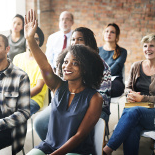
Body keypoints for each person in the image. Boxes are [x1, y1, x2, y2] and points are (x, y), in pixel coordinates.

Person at [25, 9, 104, 155]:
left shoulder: (95, 98)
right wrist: (30, 39)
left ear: (85, 68)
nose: (67, 66)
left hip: (76, 150)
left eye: (75, 63)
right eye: (65, 61)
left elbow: (79, 136)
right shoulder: (57, 86)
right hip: (49, 145)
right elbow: (44, 66)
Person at [34, 27, 111, 141]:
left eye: (80, 39)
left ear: (88, 42)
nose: (75, 42)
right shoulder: (66, 60)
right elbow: (59, 88)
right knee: (40, 123)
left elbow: (102, 99)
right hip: (66, 104)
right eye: (73, 39)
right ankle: (55, 146)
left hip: (93, 108)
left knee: (72, 129)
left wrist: (74, 110)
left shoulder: (101, 66)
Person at [103, 34, 155, 155]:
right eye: (145, 46)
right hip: (134, 108)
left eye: (152, 46)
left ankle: (108, 149)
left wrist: (142, 98)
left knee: (134, 112)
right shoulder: (136, 66)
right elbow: (128, 88)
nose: (147, 49)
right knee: (132, 127)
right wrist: (130, 94)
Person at [13, 27, 47, 115]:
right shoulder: (17, 58)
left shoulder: (43, 62)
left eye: (36, 39)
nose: (32, 42)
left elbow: (38, 87)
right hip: (16, 97)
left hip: (33, 100)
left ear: (40, 42)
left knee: (15, 115)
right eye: (30, 38)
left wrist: (20, 97)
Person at [99, 23, 127, 97]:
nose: (109, 34)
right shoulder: (97, 50)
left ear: (116, 35)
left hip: (114, 81)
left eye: (112, 32)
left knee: (107, 89)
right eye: (107, 31)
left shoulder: (122, 51)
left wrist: (103, 77)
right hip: (99, 80)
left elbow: (116, 67)